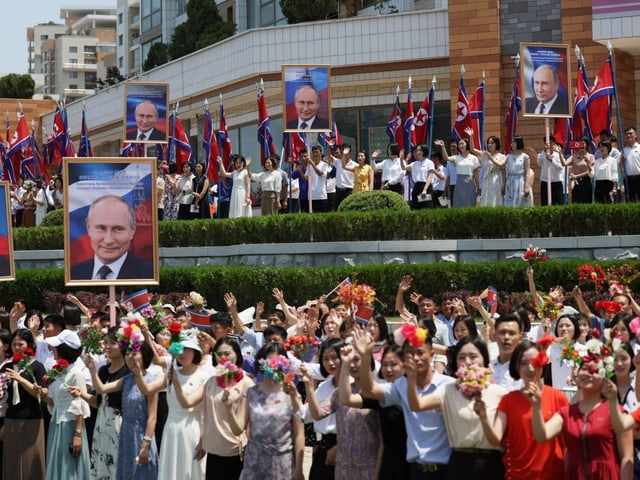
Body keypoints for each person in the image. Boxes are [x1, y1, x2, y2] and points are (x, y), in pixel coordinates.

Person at [406, 336, 507, 479]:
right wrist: (411, 378)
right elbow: (416, 405)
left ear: (484, 359)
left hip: (491, 462)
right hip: (460, 463)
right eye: (461, 357)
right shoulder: (448, 390)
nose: (467, 362)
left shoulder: (498, 392)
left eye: (473, 357)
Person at [530, 352, 633, 479]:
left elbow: (627, 457)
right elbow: (542, 435)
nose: (588, 373)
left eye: (594, 370)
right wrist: (536, 406)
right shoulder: (566, 413)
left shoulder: (615, 412)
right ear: (577, 375)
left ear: (604, 377)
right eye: (584, 369)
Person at [475, 340, 569, 480]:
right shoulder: (508, 400)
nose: (530, 368)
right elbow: (496, 440)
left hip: (553, 475)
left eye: (535, 362)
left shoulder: (558, 398)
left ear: (543, 363)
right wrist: (483, 417)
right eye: (523, 363)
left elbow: (568, 445)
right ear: (516, 367)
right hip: (517, 475)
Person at [224, 342, 305, 480]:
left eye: (277, 361)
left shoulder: (291, 393)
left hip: (282, 463)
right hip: (254, 463)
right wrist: (229, 408)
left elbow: (299, 434)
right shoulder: (251, 393)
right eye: (269, 360)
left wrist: (299, 469)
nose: (273, 365)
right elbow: (237, 429)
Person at [88, 341, 160, 480]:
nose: (130, 357)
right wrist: (92, 370)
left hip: (141, 435)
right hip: (125, 434)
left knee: (141, 474)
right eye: (127, 353)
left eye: (134, 353)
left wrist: (146, 443)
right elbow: (101, 389)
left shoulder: (150, 381)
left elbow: (152, 417)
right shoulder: (127, 379)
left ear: (144, 355)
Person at [69, 327, 128, 480]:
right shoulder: (103, 370)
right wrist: (81, 394)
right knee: (101, 466)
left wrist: (92, 371)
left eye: (113, 343)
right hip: (101, 423)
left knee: (116, 465)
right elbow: (98, 402)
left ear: (123, 345)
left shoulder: (128, 371)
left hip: (119, 423)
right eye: (106, 342)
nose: (107, 346)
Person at [198, 338, 254, 480]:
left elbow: (248, 423)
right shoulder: (210, 382)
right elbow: (206, 415)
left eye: (227, 353)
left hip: (235, 451)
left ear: (237, 354)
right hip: (212, 449)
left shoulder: (246, 383)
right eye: (219, 354)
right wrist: (202, 441)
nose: (223, 358)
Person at [40, 330, 91, 480]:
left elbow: (80, 404)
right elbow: (55, 402)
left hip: (70, 425)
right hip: (56, 423)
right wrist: (42, 395)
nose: (52, 349)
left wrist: (77, 434)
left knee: (69, 468)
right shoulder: (59, 373)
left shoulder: (76, 373)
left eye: (56, 347)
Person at [69, 195, 153, 280]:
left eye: (118, 229)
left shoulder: (148, 274)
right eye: (101, 228)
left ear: (132, 230)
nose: (108, 240)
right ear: (88, 227)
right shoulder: (73, 274)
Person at [1, 329, 48, 480]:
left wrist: (21, 380)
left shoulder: (37, 367)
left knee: (30, 462)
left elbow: (41, 394)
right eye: (14, 344)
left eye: (20, 344)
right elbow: (4, 398)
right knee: (12, 462)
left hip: (32, 419)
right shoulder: (6, 367)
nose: (17, 347)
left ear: (29, 345)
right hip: (11, 419)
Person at [465, 128, 506, 207]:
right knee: (486, 201)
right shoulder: (485, 154)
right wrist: (471, 136)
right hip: (486, 180)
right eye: (489, 143)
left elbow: (503, 172)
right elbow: (472, 149)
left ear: (496, 144)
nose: (490, 145)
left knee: (496, 200)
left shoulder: (502, 156)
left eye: (492, 143)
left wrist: (503, 185)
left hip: (496, 180)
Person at [436, 137, 480, 208]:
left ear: (467, 144)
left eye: (462, 143)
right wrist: (443, 147)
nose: (461, 145)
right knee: (459, 204)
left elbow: (476, 174)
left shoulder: (474, 158)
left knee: (470, 204)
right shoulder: (456, 157)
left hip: (470, 183)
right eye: (459, 144)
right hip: (459, 183)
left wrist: (478, 187)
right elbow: (446, 158)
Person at [562, 137, 595, 204]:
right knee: (576, 202)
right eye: (579, 144)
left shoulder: (591, 156)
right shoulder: (574, 156)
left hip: (586, 182)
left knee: (587, 202)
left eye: (583, 143)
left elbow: (591, 171)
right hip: (576, 183)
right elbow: (564, 164)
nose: (581, 145)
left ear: (586, 145)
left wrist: (577, 176)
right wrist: (560, 153)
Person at [504, 135, 530, 207]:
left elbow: (527, 172)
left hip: (520, 181)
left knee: (520, 203)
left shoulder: (525, 156)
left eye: (514, 142)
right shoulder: (508, 156)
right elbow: (501, 165)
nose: (512, 144)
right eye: (511, 142)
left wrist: (527, 186)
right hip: (510, 182)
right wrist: (490, 157)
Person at [622, 126, 640, 202]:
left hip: (639, 178)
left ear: (635, 135)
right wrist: (621, 160)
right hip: (628, 179)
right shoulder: (623, 150)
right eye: (627, 134)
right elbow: (621, 168)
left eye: (630, 133)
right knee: (630, 201)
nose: (628, 135)